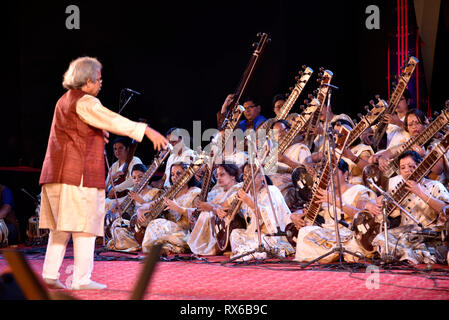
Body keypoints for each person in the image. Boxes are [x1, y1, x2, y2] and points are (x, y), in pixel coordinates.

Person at [38, 56, 168, 290]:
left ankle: (49, 274)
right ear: (87, 81)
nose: (100, 83)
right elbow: (112, 119)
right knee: (85, 225)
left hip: (57, 174)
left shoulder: (63, 100)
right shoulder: (86, 101)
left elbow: (75, 132)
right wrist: (146, 131)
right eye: (98, 79)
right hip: (77, 175)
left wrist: (96, 134)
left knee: (60, 227)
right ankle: (81, 279)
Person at [291, 159, 379, 263]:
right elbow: (306, 210)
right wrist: (295, 216)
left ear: (345, 174)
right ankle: (336, 255)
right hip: (327, 235)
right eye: (328, 174)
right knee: (304, 231)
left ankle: (332, 254)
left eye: (335, 173)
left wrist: (335, 201)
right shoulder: (326, 194)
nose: (331, 177)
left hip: (349, 234)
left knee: (355, 244)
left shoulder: (358, 190)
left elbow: (361, 215)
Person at [372, 150, 449, 264]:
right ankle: (414, 254)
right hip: (406, 232)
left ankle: (415, 254)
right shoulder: (400, 190)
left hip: (429, 233)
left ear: (420, 166)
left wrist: (419, 192)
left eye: (411, 166)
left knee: (405, 243)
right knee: (381, 238)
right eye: (403, 168)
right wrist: (380, 203)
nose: (407, 170)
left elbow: (446, 210)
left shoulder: (435, 185)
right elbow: (388, 212)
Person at [229, 162, 295, 261]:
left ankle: (247, 251)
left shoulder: (271, 191)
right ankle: (245, 251)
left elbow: (265, 215)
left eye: (252, 175)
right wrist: (221, 211)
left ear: (262, 177)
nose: (247, 178)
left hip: (269, 236)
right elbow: (227, 205)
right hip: (251, 234)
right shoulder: (246, 192)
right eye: (245, 175)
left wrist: (249, 201)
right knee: (235, 233)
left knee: (256, 245)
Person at [139, 162, 201, 255]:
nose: (175, 177)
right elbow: (146, 206)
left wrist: (179, 209)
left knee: (156, 224)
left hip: (186, 234)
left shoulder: (196, 193)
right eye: (172, 174)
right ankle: (170, 248)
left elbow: (199, 215)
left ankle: (150, 251)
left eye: (178, 173)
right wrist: (139, 211)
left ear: (188, 175)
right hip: (171, 232)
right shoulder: (170, 194)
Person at [188, 163, 242, 256]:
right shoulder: (221, 191)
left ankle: (211, 248)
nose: (218, 178)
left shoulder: (239, 187)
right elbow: (210, 204)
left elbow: (226, 206)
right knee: (204, 212)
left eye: (222, 174)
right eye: (217, 176)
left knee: (207, 213)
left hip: (236, 223)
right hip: (223, 225)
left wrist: (211, 208)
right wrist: (194, 212)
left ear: (232, 176)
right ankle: (206, 247)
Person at [106, 164, 160, 252]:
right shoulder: (133, 192)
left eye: (140, 177)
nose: (137, 180)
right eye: (134, 178)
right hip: (134, 226)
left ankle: (139, 243)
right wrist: (115, 206)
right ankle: (136, 243)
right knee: (117, 225)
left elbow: (157, 209)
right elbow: (120, 203)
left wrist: (140, 200)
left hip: (146, 226)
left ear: (147, 176)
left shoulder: (155, 192)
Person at [265, 120, 311, 210]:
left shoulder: (300, 148)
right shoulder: (275, 153)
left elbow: (306, 173)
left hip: (293, 187)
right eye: (276, 133)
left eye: (283, 131)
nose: (280, 135)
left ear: (290, 131)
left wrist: (285, 160)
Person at [104, 137, 143, 212]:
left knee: (105, 204)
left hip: (129, 196)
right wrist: (112, 177)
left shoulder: (135, 160)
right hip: (114, 197)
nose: (117, 151)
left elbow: (133, 180)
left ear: (127, 149)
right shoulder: (114, 165)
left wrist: (116, 189)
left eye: (120, 148)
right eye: (115, 149)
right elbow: (106, 186)